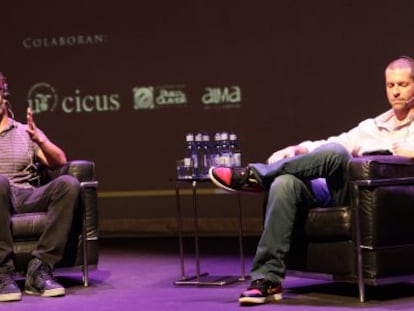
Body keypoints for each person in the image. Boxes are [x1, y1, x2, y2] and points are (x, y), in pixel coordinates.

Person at [209, 56, 414, 306]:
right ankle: (267, 279)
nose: (395, 91)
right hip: (336, 190)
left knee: (338, 155)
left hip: (370, 197)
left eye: (402, 85)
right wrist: (300, 149)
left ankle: (256, 175)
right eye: (390, 85)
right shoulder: (375, 125)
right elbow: (336, 142)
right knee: (286, 182)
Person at [0, 72, 81, 302]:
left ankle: (39, 268)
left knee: (68, 184)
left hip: (26, 194)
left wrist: (40, 140)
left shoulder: (26, 131)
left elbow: (60, 161)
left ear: (4, 95)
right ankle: (2, 273)